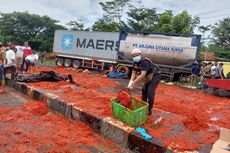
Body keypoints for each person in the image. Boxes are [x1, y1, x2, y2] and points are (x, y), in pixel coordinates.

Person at [127, 48, 161, 115]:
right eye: (133, 56)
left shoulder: (144, 62)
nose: (134, 57)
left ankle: (149, 110)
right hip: (148, 76)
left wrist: (133, 83)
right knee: (144, 91)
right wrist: (130, 83)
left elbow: (142, 75)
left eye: (136, 55)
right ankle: (143, 108)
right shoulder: (135, 63)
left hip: (155, 75)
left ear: (140, 55)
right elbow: (133, 73)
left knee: (150, 91)